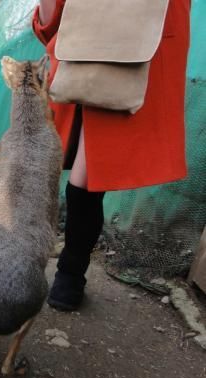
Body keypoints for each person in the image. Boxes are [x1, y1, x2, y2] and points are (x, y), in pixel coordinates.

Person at [32, 0, 190, 311]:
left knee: (89, 157)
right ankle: (68, 275)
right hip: (137, 38)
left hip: (113, 41)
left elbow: (50, 18)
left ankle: (67, 275)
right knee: (88, 161)